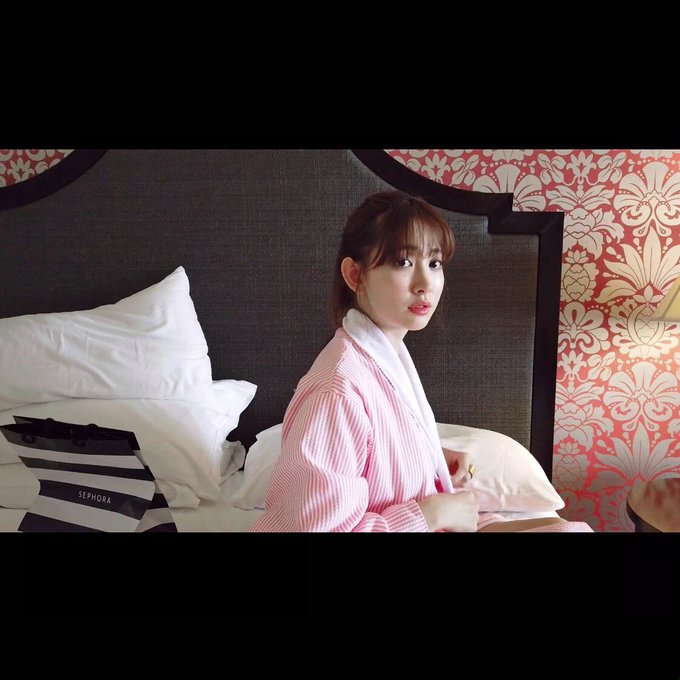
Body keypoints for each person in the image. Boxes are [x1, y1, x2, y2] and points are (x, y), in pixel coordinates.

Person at [250, 191, 592, 533]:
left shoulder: (384, 358)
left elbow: (370, 453)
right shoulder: (337, 390)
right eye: (403, 262)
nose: (425, 283)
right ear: (355, 275)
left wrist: (428, 455)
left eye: (434, 263)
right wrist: (430, 515)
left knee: (566, 528)